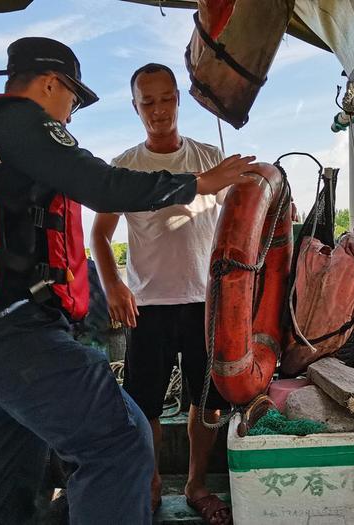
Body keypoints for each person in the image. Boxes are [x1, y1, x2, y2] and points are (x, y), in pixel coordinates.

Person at [0, 37, 259, 525]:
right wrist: (197, 182)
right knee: (123, 438)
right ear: (49, 83)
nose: (70, 114)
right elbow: (101, 184)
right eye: (71, 100)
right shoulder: (18, 119)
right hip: (14, 335)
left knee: (5, 495)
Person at [91, 63, 232, 525]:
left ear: (178, 99)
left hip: (204, 304)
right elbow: (100, 235)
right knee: (144, 403)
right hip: (146, 306)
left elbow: (243, 215)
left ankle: (195, 484)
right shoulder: (125, 166)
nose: (158, 110)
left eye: (165, 98)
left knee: (206, 401)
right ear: (135, 107)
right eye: (146, 102)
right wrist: (113, 284)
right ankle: (151, 484)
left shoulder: (210, 157)